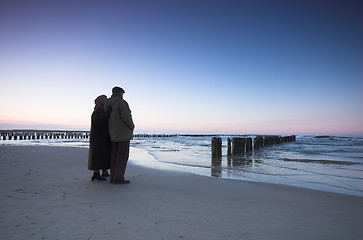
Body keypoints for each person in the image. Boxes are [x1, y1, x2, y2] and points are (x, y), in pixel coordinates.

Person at [107, 86, 135, 184]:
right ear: (120, 93)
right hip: (122, 133)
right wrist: (132, 126)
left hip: (112, 133)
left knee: (114, 155)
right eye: (122, 94)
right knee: (122, 155)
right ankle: (118, 178)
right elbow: (126, 117)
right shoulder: (121, 102)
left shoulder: (107, 103)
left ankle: (113, 177)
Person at [88, 94, 112, 181]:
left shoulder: (99, 110)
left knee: (104, 154)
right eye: (104, 103)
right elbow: (99, 121)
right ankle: (96, 173)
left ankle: (103, 171)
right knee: (98, 155)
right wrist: (107, 112)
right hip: (98, 138)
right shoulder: (98, 111)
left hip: (102, 137)